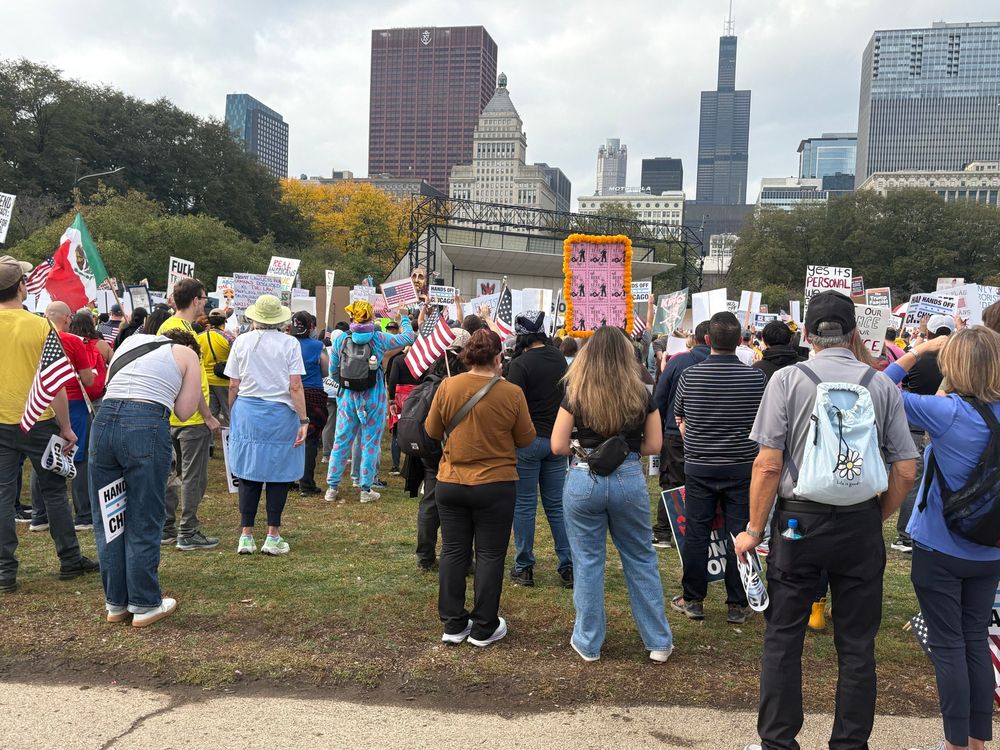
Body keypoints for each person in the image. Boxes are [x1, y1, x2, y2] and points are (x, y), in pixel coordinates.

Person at [734, 291, 918, 750]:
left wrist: (754, 530)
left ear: (808, 334)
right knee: (857, 645)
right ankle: (850, 744)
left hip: (799, 524)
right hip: (859, 524)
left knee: (784, 635)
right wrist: (879, 513)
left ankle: (778, 742)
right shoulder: (880, 385)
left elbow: (768, 465)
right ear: (855, 332)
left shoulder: (786, 380)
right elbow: (906, 468)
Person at [882, 327, 1000, 750]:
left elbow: (877, 388)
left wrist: (919, 351)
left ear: (954, 365)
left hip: (940, 545)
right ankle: (976, 741)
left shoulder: (946, 412)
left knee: (948, 646)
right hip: (990, 549)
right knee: (974, 639)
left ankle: (955, 744)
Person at [551, 325, 674, 663]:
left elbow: (558, 444)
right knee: (640, 557)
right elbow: (654, 445)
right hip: (629, 478)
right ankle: (658, 641)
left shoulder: (576, 393)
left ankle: (588, 642)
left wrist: (586, 451)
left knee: (588, 561)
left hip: (584, 479)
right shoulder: (642, 394)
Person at [425, 329, 536, 647]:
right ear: (499, 357)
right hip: (496, 484)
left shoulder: (448, 386)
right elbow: (526, 438)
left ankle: (453, 622)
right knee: (489, 554)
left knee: (453, 551)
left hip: (452, 480)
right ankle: (484, 625)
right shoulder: (512, 393)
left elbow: (432, 429)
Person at [89, 327, 203, 625]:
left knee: (109, 516)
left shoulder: (130, 342)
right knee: (144, 515)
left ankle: (116, 603)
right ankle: (144, 603)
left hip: (103, 421)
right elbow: (184, 410)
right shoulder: (187, 354)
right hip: (146, 422)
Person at [0, 256, 99, 593]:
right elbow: (54, 381)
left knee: (2, 495)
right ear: (22, 287)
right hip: (38, 419)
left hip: (1, 420)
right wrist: (67, 427)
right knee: (55, 491)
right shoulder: (41, 326)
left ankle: (4, 572)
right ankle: (69, 560)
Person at [670, 312, 766, 624]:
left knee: (697, 531)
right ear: (740, 341)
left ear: (707, 340)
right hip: (741, 466)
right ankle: (737, 604)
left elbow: (679, 418)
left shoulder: (690, 376)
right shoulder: (755, 378)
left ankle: (693, 599)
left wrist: (695, 442)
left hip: (700, 466)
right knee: (741, 534)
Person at [225, 295, 307, 556]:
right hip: (280, 413)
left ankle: (246, 535)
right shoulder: (290, 343)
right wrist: (304, 419)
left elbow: (233, 384)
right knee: (278, 473)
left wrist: (233, 410)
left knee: (248, 472)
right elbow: (295, 386)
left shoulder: (241, 342)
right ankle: (273, 534)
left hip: (248, 410)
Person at [324, 301, 415, 504]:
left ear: (353, 318)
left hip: (348, 397)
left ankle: (332, 487)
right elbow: (409, 337)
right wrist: (404, 317)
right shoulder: (379, 338)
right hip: (374, 397)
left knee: (341, 441)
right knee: (370, 443)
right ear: (371, 318)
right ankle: (365, 489)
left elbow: (333, 372)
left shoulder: (340, 340)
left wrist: (344, 387)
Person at [506, 311, 572, 589]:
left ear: (521, 335)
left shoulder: (519, 364)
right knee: (557, 506)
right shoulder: (558, 357)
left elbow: (511, 407)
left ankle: (524, 567)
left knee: (524, 505)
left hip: (528, 441)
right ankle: (568, 566)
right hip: (557, 439)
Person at [159, 278, 221, 551]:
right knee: (192, 476)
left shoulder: (168, 327)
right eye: (204, 297)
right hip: (190, 416)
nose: (206, 302)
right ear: (195, 299)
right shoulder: (182, 332)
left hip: (171, 413)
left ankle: (167, 527)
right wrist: (208, 415)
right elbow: (189, 381)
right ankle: (188, 530)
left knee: (170, 474)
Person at [893, 313, 955, 555]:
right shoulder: (956, 363)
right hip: (948, 423)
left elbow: (884, 387)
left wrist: (916, 352)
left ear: (928, 333)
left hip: (916, 422)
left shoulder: (917, 360)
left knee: (912, 477)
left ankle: (906, 534)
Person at [650, 321, 711, 548]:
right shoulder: (723, 364)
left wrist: (662, 426)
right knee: (702, 482)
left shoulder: (679, 362)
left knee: (673, 482)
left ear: (698, 339)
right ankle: (698, 532)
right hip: (709, 435)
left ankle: (665, 532)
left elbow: (659, 398)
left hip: (675, 432)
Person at [67, 311, 110, 531]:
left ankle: (40, 513)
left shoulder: (64, 342)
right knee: (85, 456)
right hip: (91, 401)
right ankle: (85, 511)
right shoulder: (99, 345)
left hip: (64, 400)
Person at [291, 311, 329, 496]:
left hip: (289, 394)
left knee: (289, 437)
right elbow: (326, 370)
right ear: (311, 327)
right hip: (312, 395)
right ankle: (306, 484)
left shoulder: (286, 344)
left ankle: (287, 480)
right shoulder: (317, 345)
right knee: (310, 440)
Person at [197, 310, 234, 426]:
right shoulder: (229, 338)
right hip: (224, 381)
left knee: (210, 414)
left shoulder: (198, 337)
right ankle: (229, 440)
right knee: (229, 414)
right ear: (225, 321)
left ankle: (209, 442)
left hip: (206, 380)